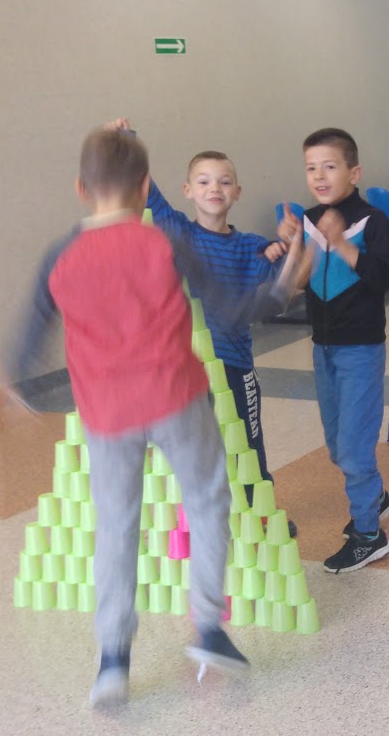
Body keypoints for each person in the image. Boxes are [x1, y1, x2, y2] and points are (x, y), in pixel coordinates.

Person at [4, 124, 292, 705]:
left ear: (81, 188)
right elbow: (231, 308)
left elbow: (28, 336)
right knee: (207, 500)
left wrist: (16, 386)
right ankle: (208, 627)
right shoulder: (166, 243)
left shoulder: (61, 254)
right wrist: (284, 287)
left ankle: (113, 659)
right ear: (144, 188)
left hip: (105, 413)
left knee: (116, 526)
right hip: (176, 398)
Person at [129, 126, 293, 529]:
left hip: (234, 364)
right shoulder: (179, 232)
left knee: (248, 443)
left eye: (224, 182)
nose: (214, 188)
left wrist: (286, 248)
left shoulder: (251, 245)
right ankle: (201, 518)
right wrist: (127, 141)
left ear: (237, 192)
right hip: (187, 367)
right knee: (194, 445)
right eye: (203, 181)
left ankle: (260, 513)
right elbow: (146, 189)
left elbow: (276, 290)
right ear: (188, 190)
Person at [275, 128, 389, 573]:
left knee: (354, 448)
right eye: (311, 168)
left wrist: (342, 243)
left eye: (330, 166)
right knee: (336, 445)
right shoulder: (309, 219)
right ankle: (376, 497)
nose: (319, 176)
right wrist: (293, 246)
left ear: (354, 172)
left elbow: (382, 279)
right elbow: (297, 284)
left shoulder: (373, 220)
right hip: (323, 347)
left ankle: (370, 535)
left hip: (360, 349)